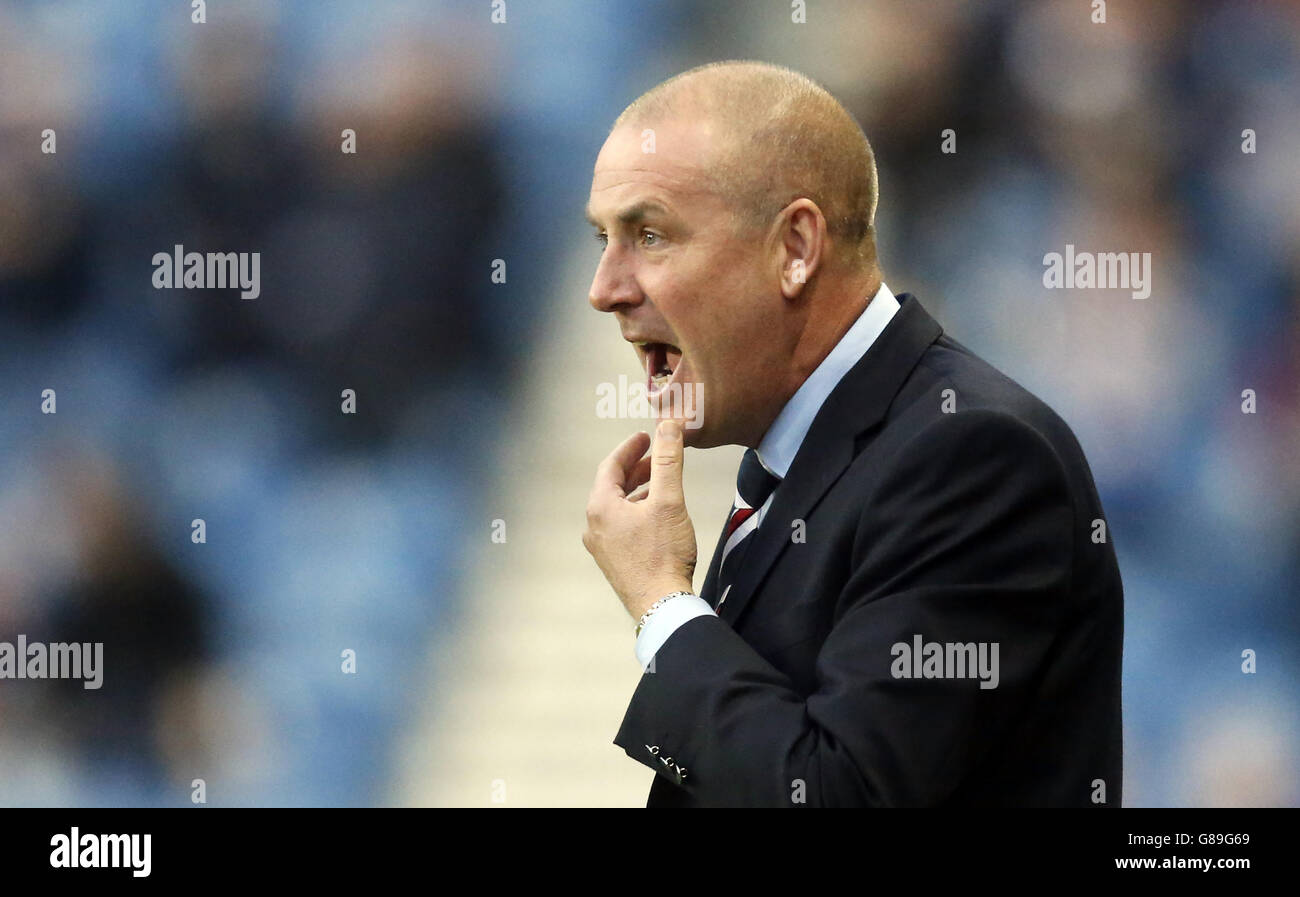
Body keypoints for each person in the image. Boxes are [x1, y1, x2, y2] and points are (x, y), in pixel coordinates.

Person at [581, 61, 1123, 807]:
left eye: (649, 234)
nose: (604, 288)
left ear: (796, 248)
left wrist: (662, 603)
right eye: (603, 239)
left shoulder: (972, 456)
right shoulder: (801, 464)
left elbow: (838, 794)